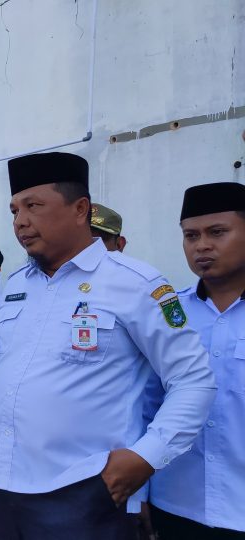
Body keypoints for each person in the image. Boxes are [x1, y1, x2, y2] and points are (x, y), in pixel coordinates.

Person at [0, 152, 216, 540]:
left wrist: (146, 456)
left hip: (84, 489)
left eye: (33, 206)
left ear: (80, 208)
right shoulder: (15, 286)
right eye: (14, 210)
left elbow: (193, 379)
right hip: (0, 485)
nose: (20, 221)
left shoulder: (136, 283)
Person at [147, 182, 245, 539]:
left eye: (217, 232)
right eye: (191, 235)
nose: (201, 245)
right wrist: (139, 493)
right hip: (177, 503)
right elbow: (147, 403)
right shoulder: (168, 313)